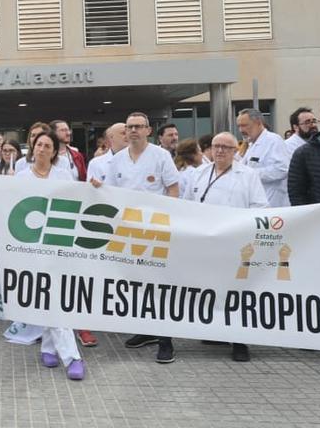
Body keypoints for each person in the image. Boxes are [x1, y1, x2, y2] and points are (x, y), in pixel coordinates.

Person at [91, 111, 180, 364]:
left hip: (156, 229)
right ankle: (146, 330)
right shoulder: (118, 160)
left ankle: (166, 340)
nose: (133, 131)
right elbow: (110, 192)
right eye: (129, 127)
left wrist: (170, 219)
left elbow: (173, 189)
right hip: (128, 231)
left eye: (138, 126)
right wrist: (98, 188)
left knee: (159, 285)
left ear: (148, 131)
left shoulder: (160, 156)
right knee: (137, 284)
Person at [183, 132, 267, 362]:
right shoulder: (199, 173)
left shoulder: (248, 175)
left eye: (226, 147)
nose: (220, 151)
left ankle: (239, 341)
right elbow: (186, 205)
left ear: (235, 151)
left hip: (236, 241)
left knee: (235, 291)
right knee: (210, 288)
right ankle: (214, 331)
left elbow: (260, 206)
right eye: (216, 146)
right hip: (205, 241)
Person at [16, 129, 86, 379]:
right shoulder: (21, 176)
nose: (42, 149)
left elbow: (77, 200)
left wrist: (95, 188)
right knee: (45, 295)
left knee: (55, 297)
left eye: (48, 146)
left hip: (58, 242)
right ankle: (52, 348)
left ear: (55, 151)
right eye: (39, 144)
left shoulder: (63, 174)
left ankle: (70, 356)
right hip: (31, 244)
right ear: (32, 148)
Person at [236, 109, 291, 207]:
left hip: (273, 204)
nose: (241, 130)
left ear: (258, 123)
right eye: (239, 126)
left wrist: (251, 174)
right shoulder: (251, 144)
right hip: (256, 204)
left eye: (244, 125)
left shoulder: (273, 140)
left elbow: (282, 169)